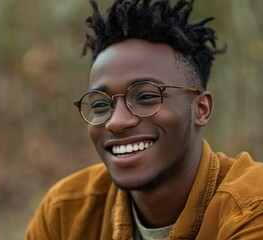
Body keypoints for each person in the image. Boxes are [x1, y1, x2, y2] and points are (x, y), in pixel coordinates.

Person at [26, 0, 263, 239]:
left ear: (201, 109)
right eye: (100, 104)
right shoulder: (65, 214)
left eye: (147, 97)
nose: (116, 122)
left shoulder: (252, 207)